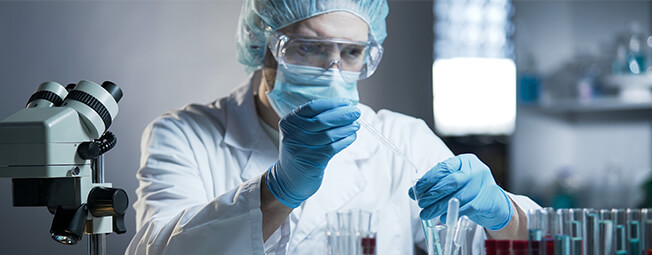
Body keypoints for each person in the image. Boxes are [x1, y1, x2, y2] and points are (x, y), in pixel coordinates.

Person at [125, 0, 541, 254]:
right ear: (262, 45)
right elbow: (159, 252)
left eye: (353, 52)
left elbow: (494, 243)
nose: (334, 69)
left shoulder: (402, 140)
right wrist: (278, 189)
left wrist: (503, 214)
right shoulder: (182, 136)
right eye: (310, 47)